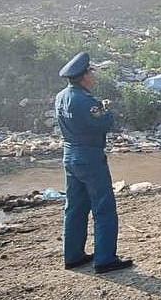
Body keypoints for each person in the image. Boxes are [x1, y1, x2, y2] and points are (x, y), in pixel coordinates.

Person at [55, 52, 132, 274]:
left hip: (69, 154)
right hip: (90, 156)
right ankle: (105, 258)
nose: (94, 75)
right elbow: (105, 124)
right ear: (83, 76)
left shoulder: (61, 96)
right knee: (103, 207)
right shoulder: (86, 100)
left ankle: (73, 256)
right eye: (91, 72)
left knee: (75, 207)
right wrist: (105, 110)